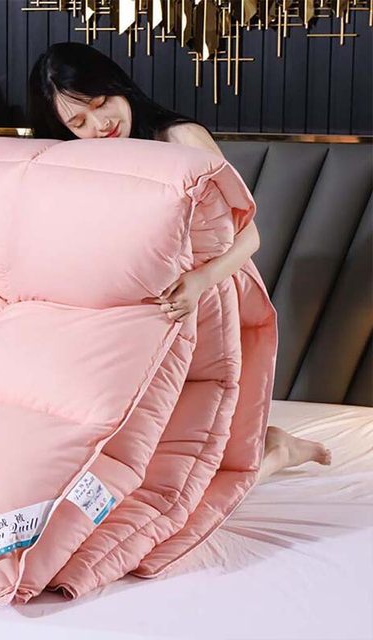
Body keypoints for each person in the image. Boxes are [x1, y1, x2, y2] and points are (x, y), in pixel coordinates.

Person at [26, 42, 331, 481]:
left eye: (101, 102)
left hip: (208, 289)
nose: (99, 124)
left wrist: (200, 282)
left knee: (193, 466)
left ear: (118, 85)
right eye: (78, 122)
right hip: (144, 302)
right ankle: (268, 442)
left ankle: (277, 450)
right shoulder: (84, 159)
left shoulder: (180, 138)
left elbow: (250, 235)